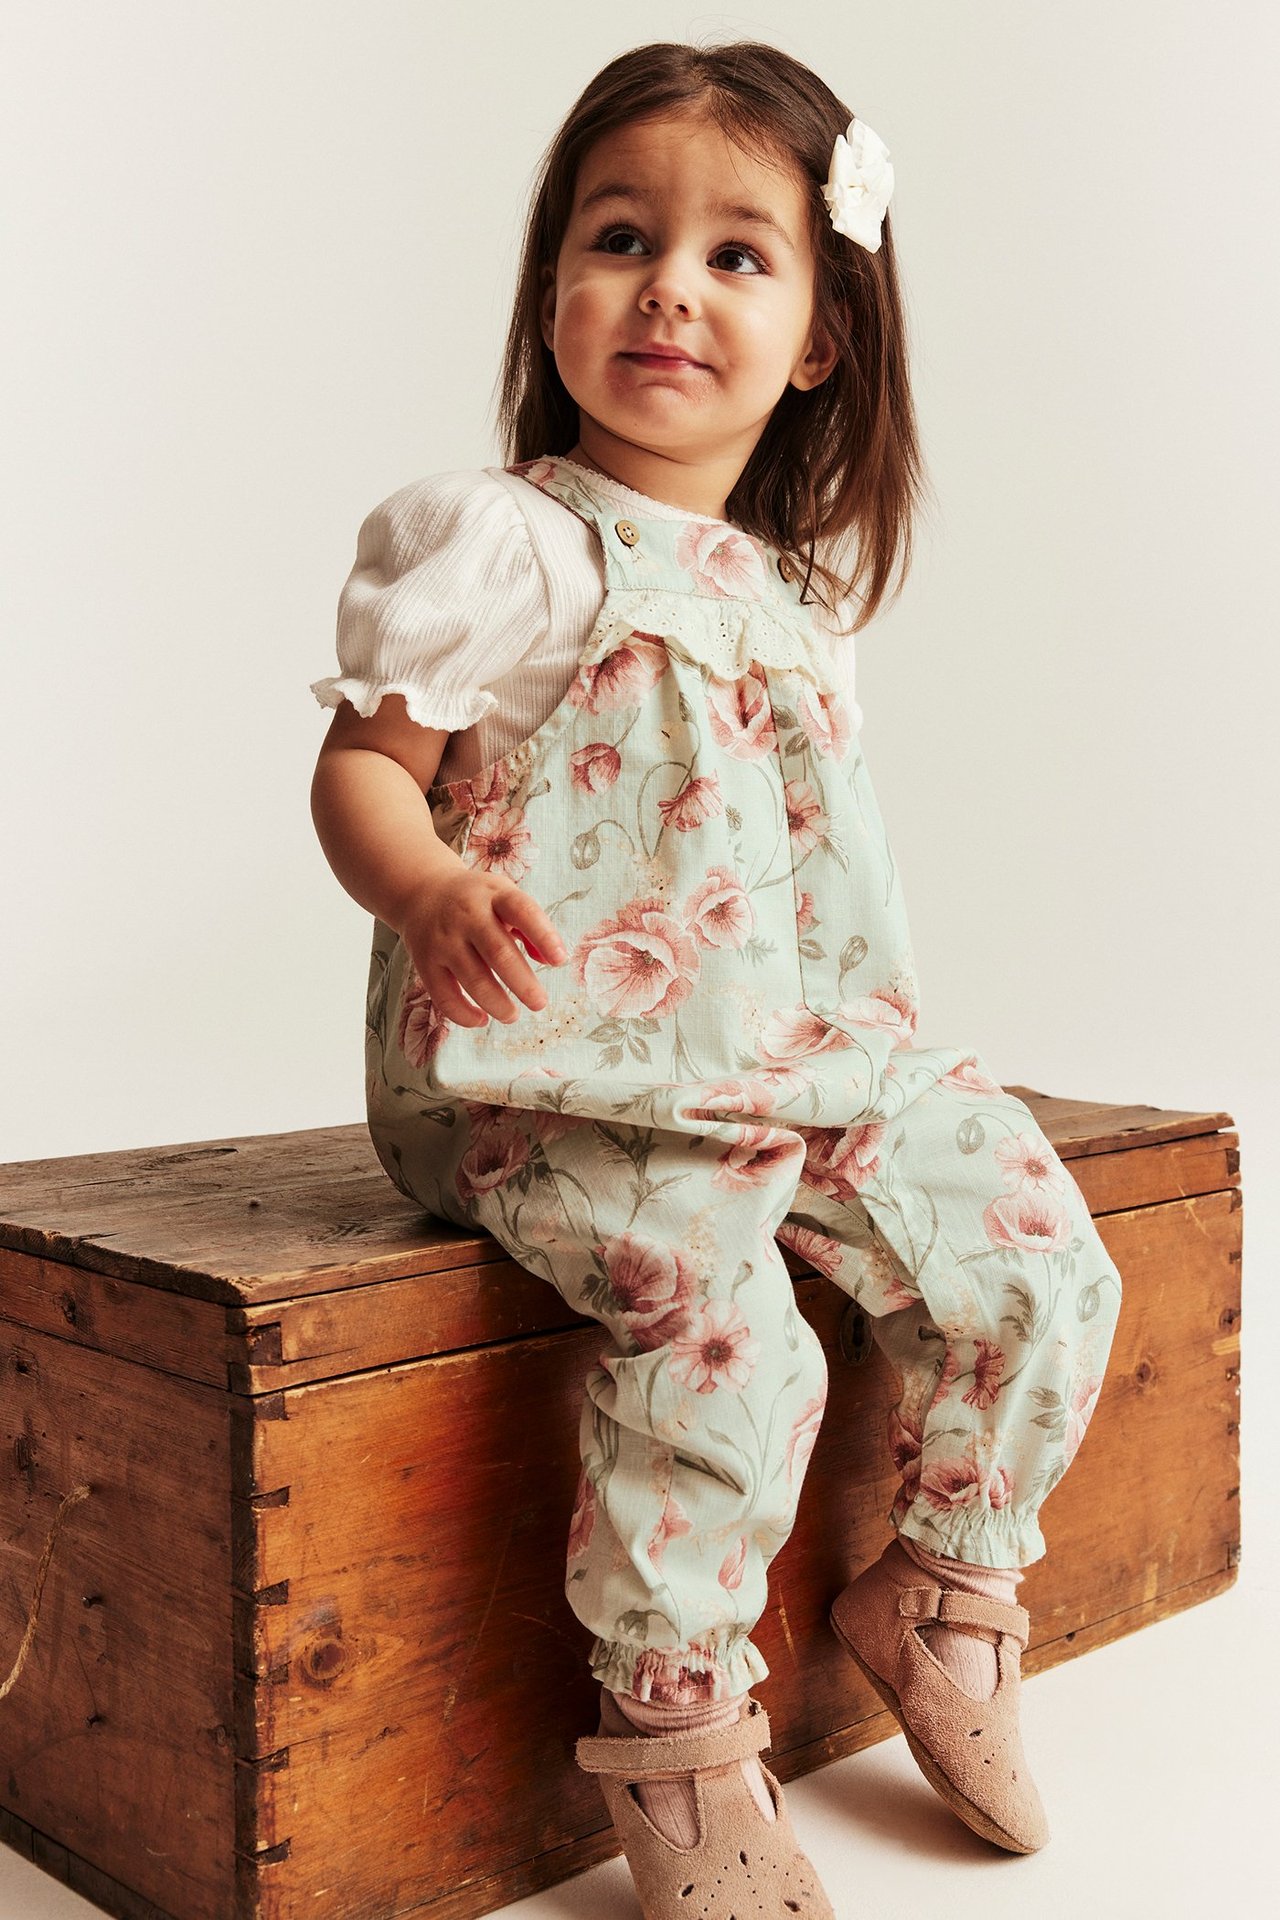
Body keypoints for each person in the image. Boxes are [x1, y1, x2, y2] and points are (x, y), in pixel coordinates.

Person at [308, 39, 1123, 1919]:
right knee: (726, 1329)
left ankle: (941, 1578)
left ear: (827, 333)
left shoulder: (793, 592)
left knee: (1033, 1245)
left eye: (739, 254)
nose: (669, 283)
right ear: (553, 292)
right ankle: (675, 1731)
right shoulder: (502, 543)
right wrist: (425, 879)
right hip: (557, 1072)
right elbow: (364, 765)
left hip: (793, 1054)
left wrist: (866, 1064)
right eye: (620, 237)